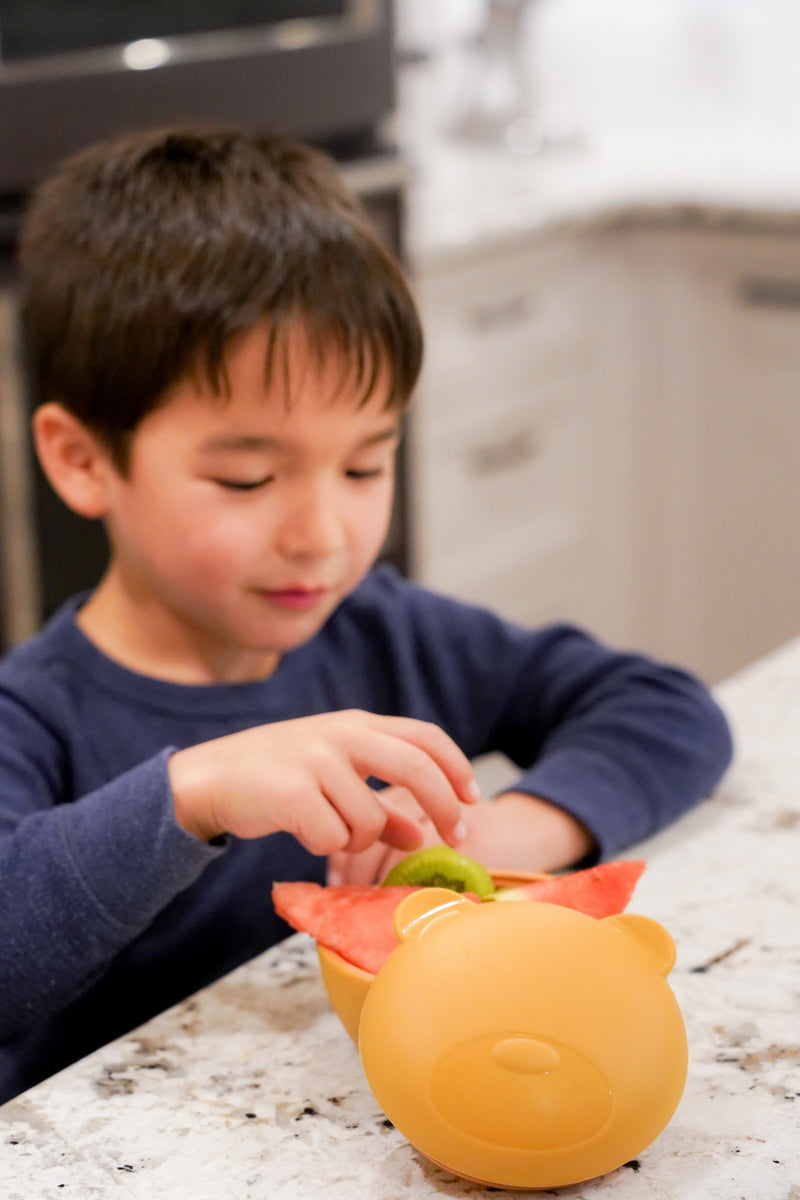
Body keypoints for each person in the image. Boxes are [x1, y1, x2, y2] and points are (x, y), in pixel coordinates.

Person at [0, 125, 732, 1103]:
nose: (323, 536)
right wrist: (195, 790)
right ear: (83, 461)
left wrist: (511, 831)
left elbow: (660, 707)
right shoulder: (33, 714)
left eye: (364, 465)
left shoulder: (384, 629)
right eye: (246, 476)